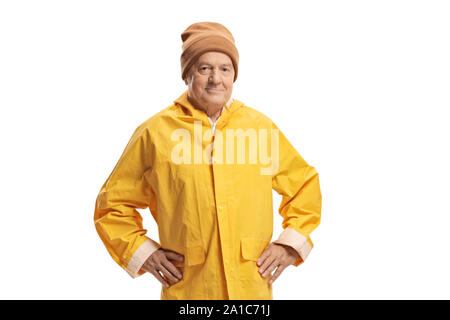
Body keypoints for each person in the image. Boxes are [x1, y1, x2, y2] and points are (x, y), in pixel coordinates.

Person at [94, 21, 322, 300]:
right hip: (189, 293)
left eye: (225, 69)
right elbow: (113, 205)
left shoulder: (260, 129)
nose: (216, 79)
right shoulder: (155, 133)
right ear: (187, 74)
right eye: (205, 68)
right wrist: (142, 252)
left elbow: (303, 186)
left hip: (250, 294)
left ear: (234, 75)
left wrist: (289, 246)